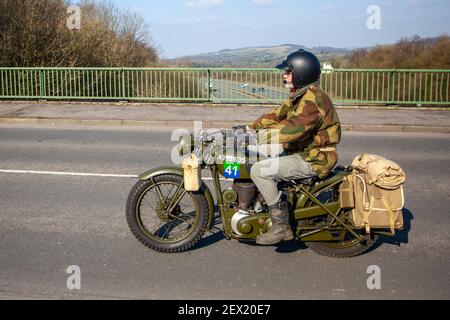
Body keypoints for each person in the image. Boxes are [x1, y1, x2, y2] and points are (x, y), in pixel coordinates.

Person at [249, 49, 342, 245]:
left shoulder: (313, 99)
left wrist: (262, 136)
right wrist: (249, 128)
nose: (284, 74)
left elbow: (296, 128)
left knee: (259, 171)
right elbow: (276, 115)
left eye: (288, 71)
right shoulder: (300, 96)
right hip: (302, 152)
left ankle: (281, 227)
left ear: (301, 72)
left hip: (313, 158)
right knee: (260, 158)